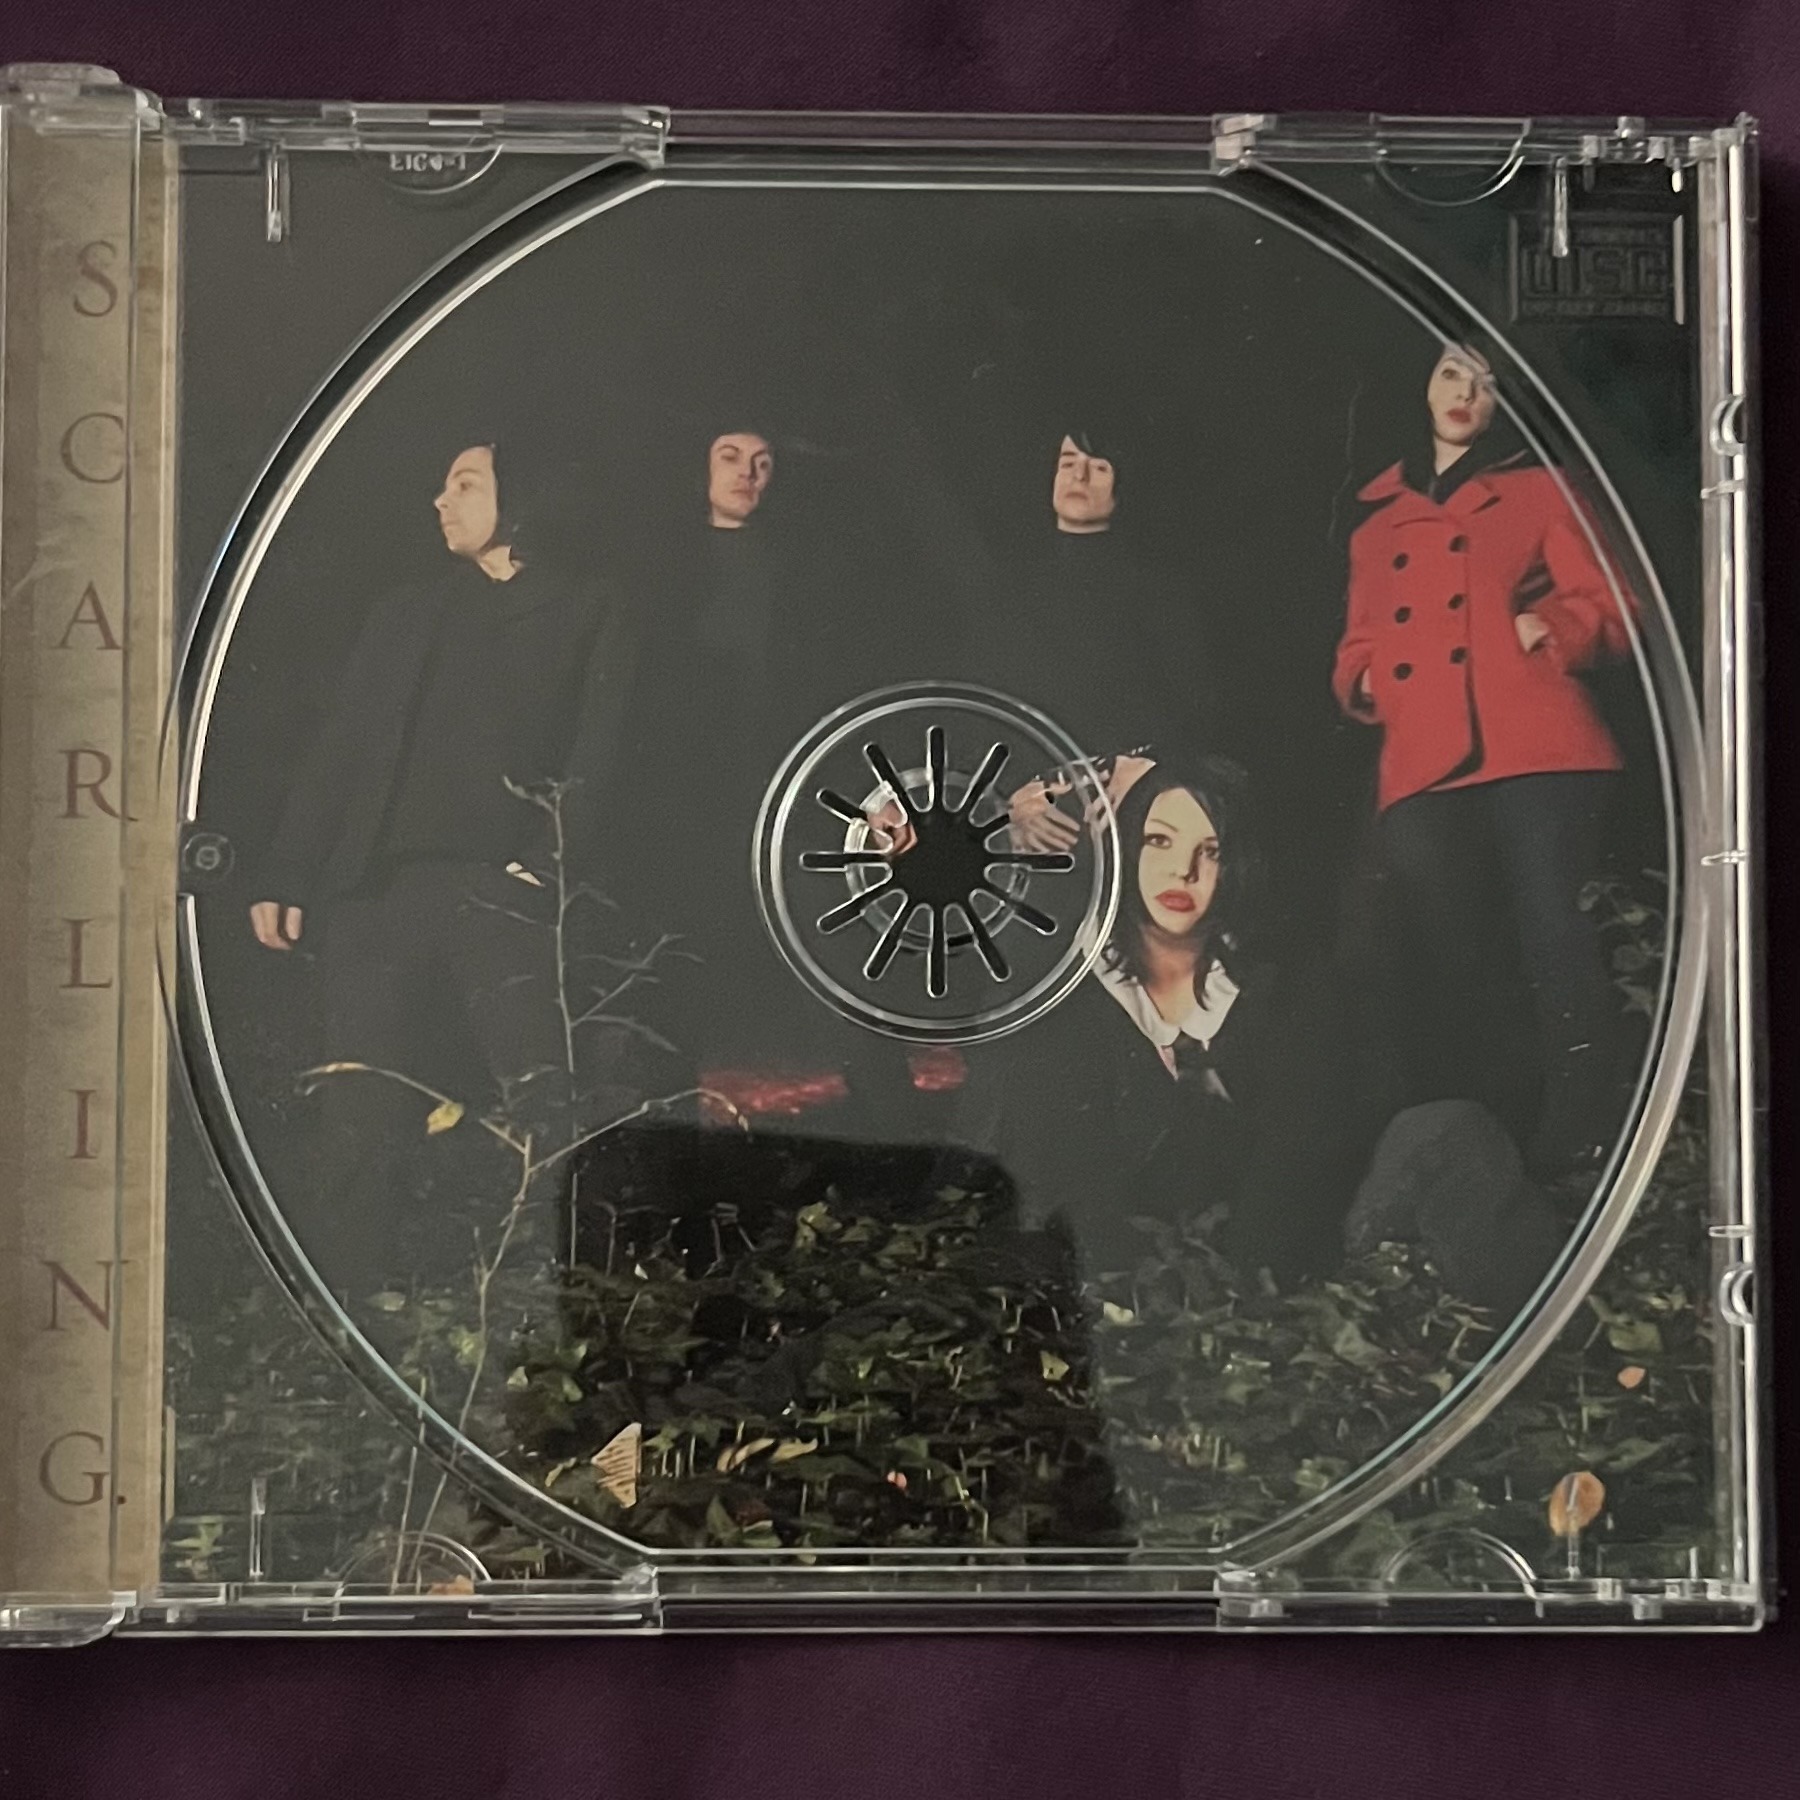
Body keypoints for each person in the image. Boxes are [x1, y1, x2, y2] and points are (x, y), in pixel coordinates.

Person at [249, 439, 637, 1291]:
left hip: (500, 894)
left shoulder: (587, 607)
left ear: (521, 496)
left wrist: (542, 867)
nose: (441, 500)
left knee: (543, 1104)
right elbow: (342, 746)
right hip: (377, 895)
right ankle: (349, 1305)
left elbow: (600, 749)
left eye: (466, 484)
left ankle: (564, 1300)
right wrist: (288, 869)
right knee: (360, 1111)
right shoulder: (408, 612)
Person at [1331, 340, 1637, 1174]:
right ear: (1423, 385)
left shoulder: (1544, 490)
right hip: (1422, 757)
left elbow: (1615, 598)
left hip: (1536, 740)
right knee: (1451, 959)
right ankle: (1486, 1144)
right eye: (1450, 373)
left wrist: (1557, 625)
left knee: (1555, 939)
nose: (1466, 392)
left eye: (1487, 382)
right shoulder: (1377, 522)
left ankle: (1583, 1137)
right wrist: (1366, 679)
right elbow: (1358, 640)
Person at [959, 756, 1356, 1279]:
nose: (1182, 871)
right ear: (1126, 847)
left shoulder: (1281, 986)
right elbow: (1050, 1178)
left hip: (1250, 1272)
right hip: (1101, 1272)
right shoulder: (1062, 985)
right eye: (1159, 841)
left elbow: (1294, 1165)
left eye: (1210, 851)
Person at [962, 428, 1224, 856]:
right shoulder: (1009, 591)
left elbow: (1197, 711)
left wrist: (1146, 771)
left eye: (1098, 468)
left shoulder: (1160, 590)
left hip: (1138, 811)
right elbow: (982, 714)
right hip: (1035, 825)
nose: (1078, 477)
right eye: (1068, 464)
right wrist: (1011, 799)